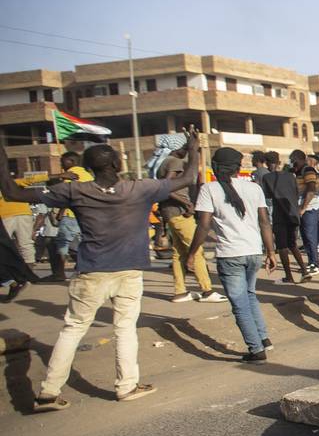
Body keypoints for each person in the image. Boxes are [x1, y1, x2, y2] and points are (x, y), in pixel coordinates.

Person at [0, 128, 203, 411]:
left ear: (86, 168)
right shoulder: (139, 188)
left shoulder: (74, 190)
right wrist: (193, 147)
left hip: (92, 272)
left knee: (72, 329)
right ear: (117, 165)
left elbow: (11, 192)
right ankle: (126, 386)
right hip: (129, 271)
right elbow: (189, 177)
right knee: (125, 328)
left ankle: (49, 391)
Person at [187, 148, 276, 361]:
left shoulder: (209, 189)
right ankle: (263, 338)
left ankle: (256, 349)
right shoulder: (254, 188)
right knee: (250, 295)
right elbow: (265, 222)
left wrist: (191, 254)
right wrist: (270, 252)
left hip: (230, 255)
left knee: (239, 303)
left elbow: (203, 225)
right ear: (238, 168)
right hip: (254, 252)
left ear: (216, 167)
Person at [157, 143, 224, 303]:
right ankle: (207, 290)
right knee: (197, 249)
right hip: (179, 212)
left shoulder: (165, 161)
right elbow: (167, 187)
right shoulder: (175, 162)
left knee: (178, 252)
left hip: (170, 212)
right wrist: (186, 203)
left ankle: (180, 291)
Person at [261, 152, 310, 283]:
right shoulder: (290, 176)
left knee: (282, 246)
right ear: (279, 162)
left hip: (279, 215)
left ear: (266, 163)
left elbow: (267, 195)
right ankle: (304, 271)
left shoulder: (267, 177)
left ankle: (289, 275)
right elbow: (296, 192)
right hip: (293, 213)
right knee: (292, 244)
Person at [292, 150, 319, 275]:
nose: (292, 163)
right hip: (305, 207)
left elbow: (311, 190)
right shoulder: (299, 172)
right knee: (306, 236)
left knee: (310, 236)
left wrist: (303, 208)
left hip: (310, 207)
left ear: (300, 159)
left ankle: (315, 264)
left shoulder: (308, 170)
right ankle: (311, 262)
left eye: (294, 160)